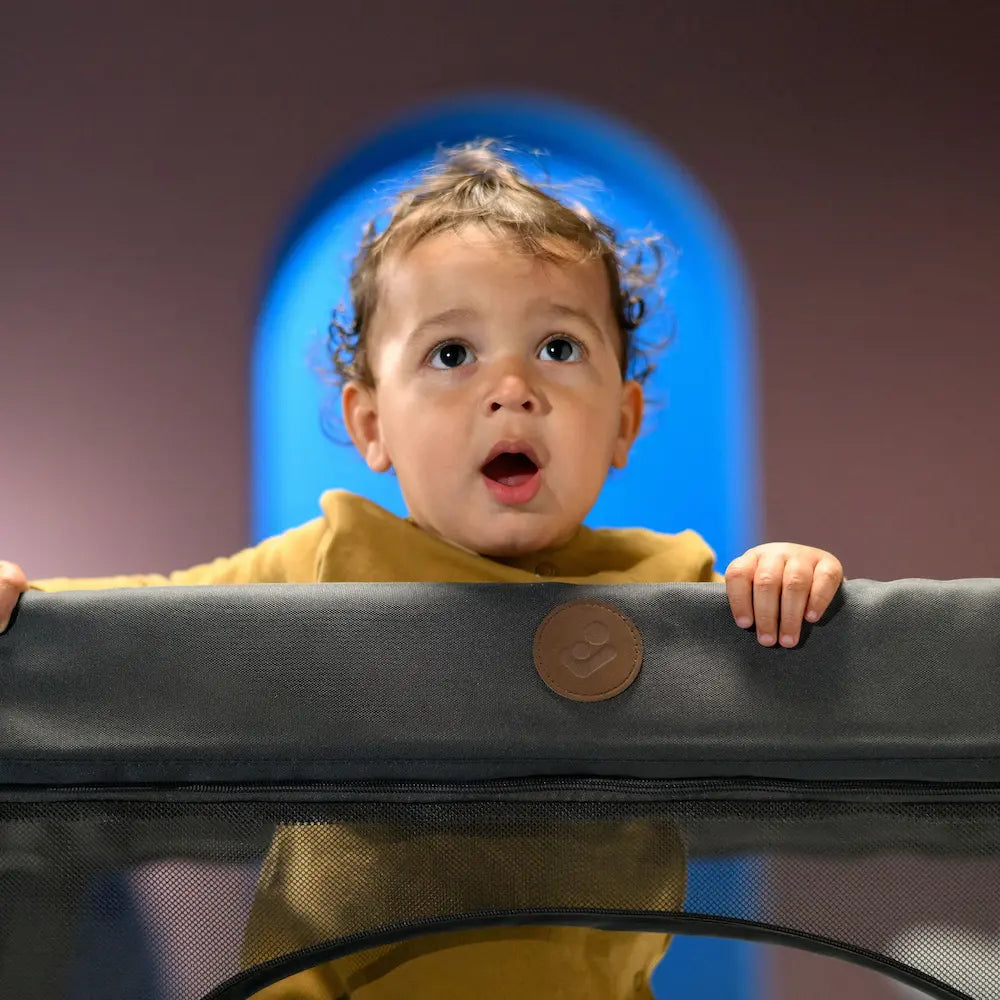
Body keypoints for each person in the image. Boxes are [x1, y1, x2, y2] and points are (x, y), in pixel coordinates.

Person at [0, 141, 843, 999]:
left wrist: (788, 575)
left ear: (623, 421)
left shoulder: (666, 584)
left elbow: (793, 681)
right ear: (371, 426)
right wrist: (25, 601)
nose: (512, 388)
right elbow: (142, 627)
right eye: (451, 355)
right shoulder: (336, 561)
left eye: (558, 347)